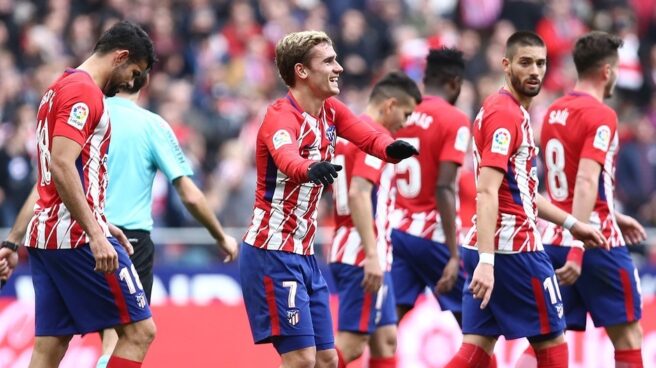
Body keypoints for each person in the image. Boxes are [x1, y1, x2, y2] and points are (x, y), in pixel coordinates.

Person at [238, 30, 418, 368]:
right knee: (302, 359)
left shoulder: (330, 110)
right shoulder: (280, 116)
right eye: (329, 61)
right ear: (302, 71)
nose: (339, 68)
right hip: (271, 252)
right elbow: (287, 156)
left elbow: (365, 134)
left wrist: (389, 149)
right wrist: (309, 169)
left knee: (328, 360)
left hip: (305, 255)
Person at [444, 31, 608, 368]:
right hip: (513, 250)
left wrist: (572, 224)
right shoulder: (505, 115)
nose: (535, 70)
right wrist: (489, 262)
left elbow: (522, 192)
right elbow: (487, 190)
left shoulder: (507, 110)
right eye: (525, 62)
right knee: (553, 348)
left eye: (541, 63)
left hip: (485, 245)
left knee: (475, 352)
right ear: (506, 65)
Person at [0, 21, 156, 368]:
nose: (132, 83)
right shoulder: (84, 92)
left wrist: (102, 221)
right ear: (121, 57)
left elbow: (52, 175)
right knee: (140, 332)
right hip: (75, 238)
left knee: (50, 346)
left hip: (49, 236)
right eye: (134, 72)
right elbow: (62, 165)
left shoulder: (58, 88)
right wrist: (95, 232)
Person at [516, 31, 645, 368]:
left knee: (544, 342)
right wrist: (580, 246)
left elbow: (566, 185)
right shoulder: (602, 115)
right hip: (593, 242)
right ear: (607, 72)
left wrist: (614, 215)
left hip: (553, 238)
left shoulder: (553, 112)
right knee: (628, 340)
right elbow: (586, 179)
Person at [94, 74, 240, 367]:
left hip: (85, 234)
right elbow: (190, 195)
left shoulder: (89, 119)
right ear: (144, 77)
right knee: (128, 336)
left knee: (103, 337)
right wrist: (219, 235)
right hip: (129, 242)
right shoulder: (152, 125)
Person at [329, 71, 421, 368]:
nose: (405, 123)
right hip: (362, 252)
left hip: (355, 247)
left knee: (385, 338)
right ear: (389, 105)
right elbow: (358, 193)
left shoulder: (348, 132)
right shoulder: (374, 137)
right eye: (405, 114)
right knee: (352, 346)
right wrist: (371, 254)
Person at [390, 47, 469, 325]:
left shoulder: (401, 114)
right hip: (432, 235)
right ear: (455, 83)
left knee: (387, 327)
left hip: (397, 231)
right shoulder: (454, 119)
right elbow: (444, 188)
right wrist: (453, 252)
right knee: (477, 328)